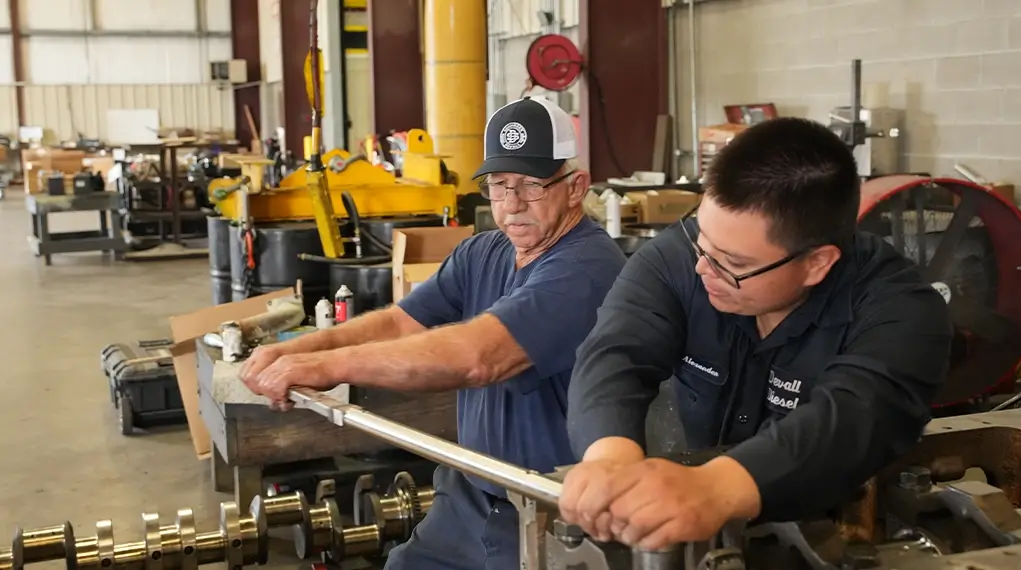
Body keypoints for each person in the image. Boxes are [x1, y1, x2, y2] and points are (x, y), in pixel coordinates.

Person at [240, 96, 626, 570]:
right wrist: (298, 349)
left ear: (575, 186)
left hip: (547, 510)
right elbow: (399, 321)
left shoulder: (588, 268)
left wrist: (323, 367)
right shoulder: (484, 252)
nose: (512, 204)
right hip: (468, 491)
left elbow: (480, 356)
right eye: (499, 185)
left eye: (532, 185)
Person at [558, 117, 953, 550]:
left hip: (834, 538)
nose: (702, 268)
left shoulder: (901, 312)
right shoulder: (687, 257)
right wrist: (610, 460)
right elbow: (616, 353)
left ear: (817, 262)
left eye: (735, 263)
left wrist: (715, 489)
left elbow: (855, 414)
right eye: (701, 239)